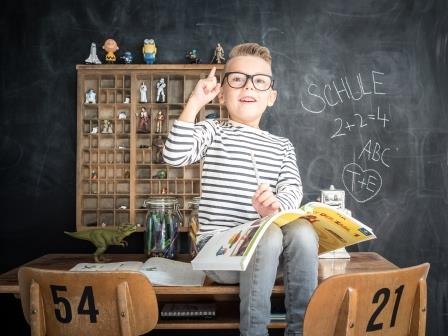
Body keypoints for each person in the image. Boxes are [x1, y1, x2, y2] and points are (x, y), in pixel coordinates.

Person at [163, 43, 318, 336]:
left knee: (302, 231)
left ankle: (300, 330)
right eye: (237, 79)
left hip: (270, 259)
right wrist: (195, 103)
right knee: (268, 233)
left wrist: (274, 207)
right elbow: (174, 155)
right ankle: (253, 332)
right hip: (222, 256)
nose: (248, 86)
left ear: (271, 96)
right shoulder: (213, 131)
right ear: (222, 92)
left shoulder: (282, 146)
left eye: (259, 81)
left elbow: (292, 189)